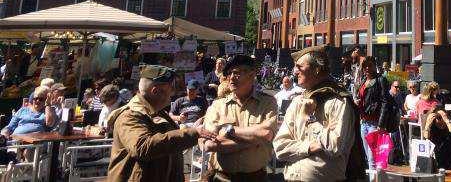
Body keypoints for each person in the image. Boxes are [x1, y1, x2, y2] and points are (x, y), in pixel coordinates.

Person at [106, 65, 216, 182]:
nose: (173, 92)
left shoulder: (159, 113)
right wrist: (193, 133)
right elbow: (143, 147)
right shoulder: (130, 115)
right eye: (171, 87)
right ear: (155, 91)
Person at [274, 45, 366, 182]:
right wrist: (310, 147)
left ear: (316, 69)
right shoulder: (297, 101)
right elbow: (280, 148)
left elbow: (335, 147)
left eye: (300, 67)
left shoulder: (338, 102)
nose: (294, 72)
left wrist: (311, 119)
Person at [203, 54, 278, 182]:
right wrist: (255, 140)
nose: (231, 78)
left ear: (252, 75)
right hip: (222, 178)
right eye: (230, 73)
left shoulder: (268, 103)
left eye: (237, 73)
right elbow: (210, 144)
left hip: (256, 178)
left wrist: (228, 129)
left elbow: (265, 134)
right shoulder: (218, 105)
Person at [356, 56, 395, 169]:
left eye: (370, 65)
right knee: (369, 157)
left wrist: (381, 124)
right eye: (365, 65)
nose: (367, 68)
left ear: (375, 66)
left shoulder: (380, 80)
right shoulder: (364, 80)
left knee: (374, 158)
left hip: (375, 123)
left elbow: (385, 102)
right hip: (364, 122)